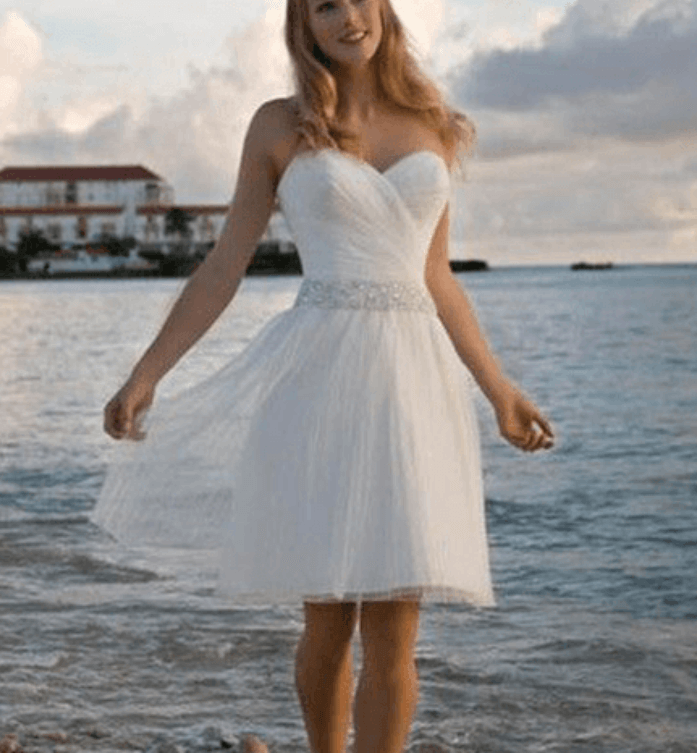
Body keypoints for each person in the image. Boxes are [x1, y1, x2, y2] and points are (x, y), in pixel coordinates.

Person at [95, 0, 554, 751]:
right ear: (302, 26)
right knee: (328, 616)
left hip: (413, 390)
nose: (346, 18)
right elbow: (222, 266)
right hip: (319, 381)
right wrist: (146, 373)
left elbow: (436, 277)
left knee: (397, 628)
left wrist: (498, 389)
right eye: (323, 7)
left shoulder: (433, 123)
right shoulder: (280, 124)